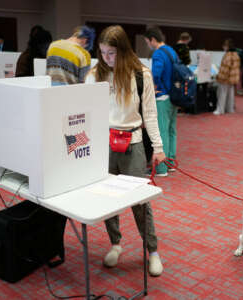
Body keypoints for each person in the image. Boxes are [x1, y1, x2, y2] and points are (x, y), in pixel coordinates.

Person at [85, 25, 166, 276]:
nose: (107, 59)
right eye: (103, 53)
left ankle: (152, 250)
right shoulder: (93, 75)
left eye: (112, 53)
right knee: (108, 199)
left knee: (140, 202)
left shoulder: (141, 74)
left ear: (123, 50)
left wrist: (159, 147)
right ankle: (116, 244)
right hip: (103, 145)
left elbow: (150, 113)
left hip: (133, 143)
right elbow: (85, 113)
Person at [144, 27, 179, 177]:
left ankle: (161, 168)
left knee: (161, 131)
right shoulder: (171, 50)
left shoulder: (158, 53)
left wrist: (154, 88)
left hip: (162, 97)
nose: (148, 45)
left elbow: (156, 74)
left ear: (152, 39)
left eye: (147, 42)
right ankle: (171, 163)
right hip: (174, 97)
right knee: (172, 130)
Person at [213, 38, 240, 115]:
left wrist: (219, 77)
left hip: (225, 78)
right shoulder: (236, 54)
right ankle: (230, 109)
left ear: (227, 46)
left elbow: (225, 68)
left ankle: (220, 110)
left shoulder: (227, 55)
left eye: (224, 46)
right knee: (230, 94)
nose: (223, 47)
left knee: (221, 94)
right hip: (232, 78)